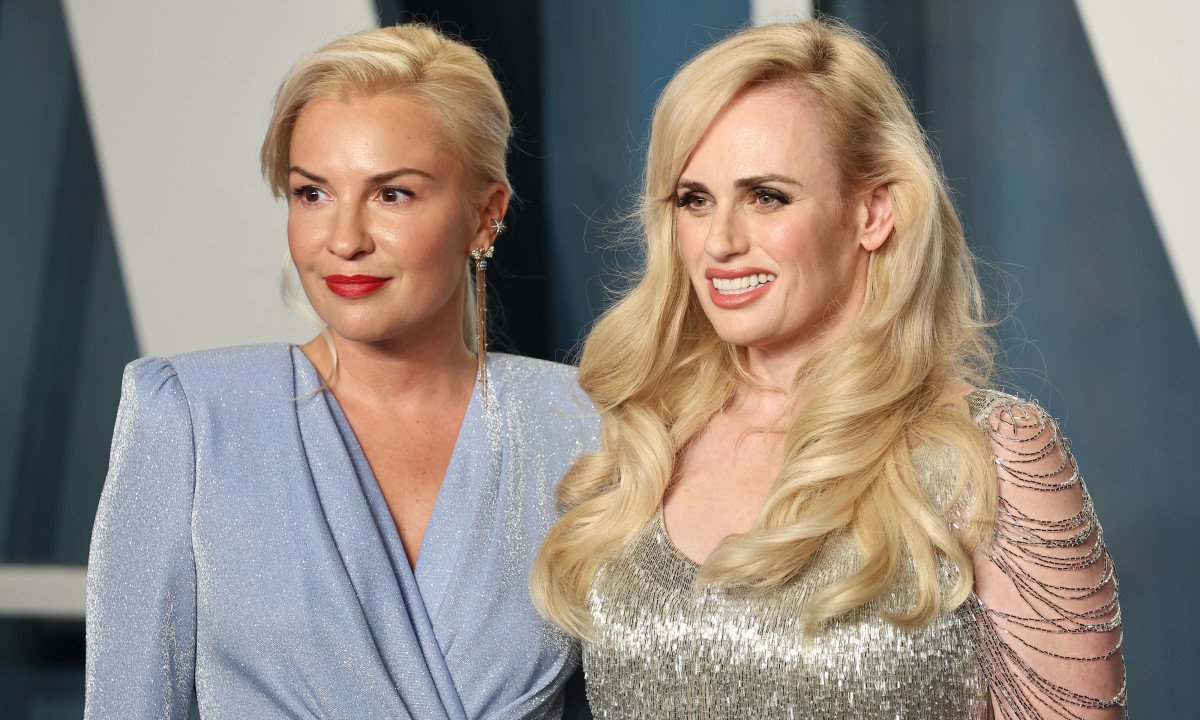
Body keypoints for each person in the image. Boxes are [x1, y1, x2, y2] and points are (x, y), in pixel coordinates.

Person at [532, 19, 1125, 719]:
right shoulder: (638, 441)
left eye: (767, 197)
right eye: (695, 200)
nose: (720, 242)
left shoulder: (990, 455)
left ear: (873, 212)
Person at [86, 24, 596, 719]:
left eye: (393, 194)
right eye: (312, 194)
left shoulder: (580, 426)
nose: (344, 240)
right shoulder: (191, 419)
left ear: (486, 217)